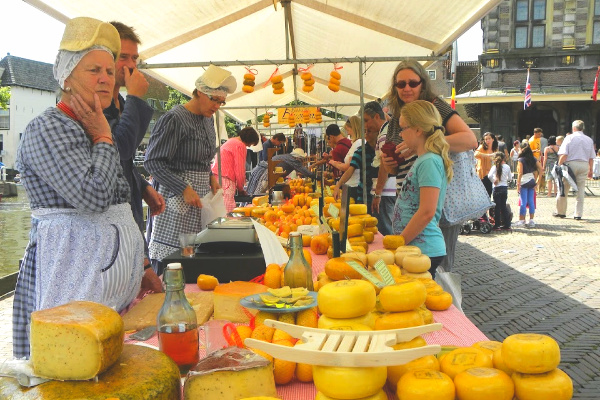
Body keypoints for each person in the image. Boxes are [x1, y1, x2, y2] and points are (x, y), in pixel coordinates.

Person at [13, 17, 145, 358]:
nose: (106, 77)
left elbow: (120, 195)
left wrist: (139, 267)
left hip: (102, 292)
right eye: (93, 70)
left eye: (107, 69)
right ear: (67, 78)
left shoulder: (91, 122)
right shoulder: (48, 128)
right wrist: (102, 136)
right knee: (71, 366)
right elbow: (94, 196)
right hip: (69, 283)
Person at [380, 59, 477, 273]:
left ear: (423, 83)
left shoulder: (434, 107)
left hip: (434, 203)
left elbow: (470, 140)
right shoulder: (398, 117)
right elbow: (400, 166)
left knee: (436, 273)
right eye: (401, 84)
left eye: (412, 83)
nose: (406, 88)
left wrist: (429, 143)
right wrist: (390, 166)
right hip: (410, 199)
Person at [145, 64, 233, 272]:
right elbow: (153, 161)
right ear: (200, 92)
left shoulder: (207, 121)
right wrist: (183, 188)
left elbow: (204, 159)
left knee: (197, 256)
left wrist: (210, 176)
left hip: (201, 198)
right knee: (174, 261)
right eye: (214, 100)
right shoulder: (175, 118)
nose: (217, 106)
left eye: (222, 102)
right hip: (175, 200)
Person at [103, 21, 164, 293]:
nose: (130, 65)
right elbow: (119, 151)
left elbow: (125, 164)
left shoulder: (121, 104)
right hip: (107, 230)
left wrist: (144, 187)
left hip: (130, 219)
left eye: (134, 58)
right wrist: (137, 97)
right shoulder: (97, 107)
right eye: (123, 57)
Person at [391, 100, 453, 279]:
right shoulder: (423, 159)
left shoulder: (429, 161)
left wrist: (401, 241)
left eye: (403, 128)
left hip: (423, 250)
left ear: (418, 129)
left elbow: (427, 211)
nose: (401, 134)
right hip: (415, 249)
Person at [333, 110, 379, 213]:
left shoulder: (380, 150)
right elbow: (350, 169)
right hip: (364, 193)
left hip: (379, 194)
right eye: (365, 131)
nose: (366, 135)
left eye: (369, 132)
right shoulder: (361, 150)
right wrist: (338, 185)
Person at [364, 101, 395, 236]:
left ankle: (385, 258)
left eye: (366, 120)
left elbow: (384, 165)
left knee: (385, 232)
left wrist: (378, 193)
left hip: (385, 192)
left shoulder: (384, 135)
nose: (366, 126)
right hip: (387, 191)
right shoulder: (386, 130)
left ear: (377, 116)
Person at [554, 120, 595, 220]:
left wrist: (559, 165)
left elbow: (564, 154)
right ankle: (578, 214)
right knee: (580, 190)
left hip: (570, 165)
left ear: (573, 128)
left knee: (564, 188)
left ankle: (561, 212)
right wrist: (591, 170)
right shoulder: (589, 139)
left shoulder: (569, 138)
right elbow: (591, 157)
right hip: (584, 164)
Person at [212, 126, 259, 211]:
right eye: (250, 144)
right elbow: (240, 170)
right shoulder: (239, 145)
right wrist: (241, 188)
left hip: (216, 178)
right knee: (228, 210)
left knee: (218, 208)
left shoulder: (230, 141)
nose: (248, 146)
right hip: (226, 179)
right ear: (249, 140)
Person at [246, 148, 315, 195]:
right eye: (302, 159)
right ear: (298, 157)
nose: (302, 161)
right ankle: (252, 205)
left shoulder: (288, 157)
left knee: (257, 189)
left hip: (265, 170)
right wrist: (315, 176)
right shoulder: (294, 160)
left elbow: (299, 170)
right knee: (259, 192)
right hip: (267, 172)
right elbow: (304, 171)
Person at [328, 115, 364, 189]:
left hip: (354, 185)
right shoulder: (355, 143)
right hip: (352, 183)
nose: (347, 134)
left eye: (348, 130)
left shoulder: (358, 143)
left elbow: (349, 167)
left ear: (354, 128)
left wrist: (334, 163)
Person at [515, 142, 542, 227]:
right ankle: (531, 220)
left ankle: (522, 220)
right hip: (532, 180)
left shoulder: (521, 160)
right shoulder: (533, 158)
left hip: (524, 181)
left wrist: (518, 184)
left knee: (523, 201)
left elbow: (520, 173)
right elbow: (541, 169)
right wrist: (538, 181)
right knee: (531, 201)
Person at [488, 152, 512, 230]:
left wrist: (493, 181)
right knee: (503, 206)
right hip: (504, 187)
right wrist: (505, 179)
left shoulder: (494, 167)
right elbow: (510, 178)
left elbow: (489, 176)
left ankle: (497, 225)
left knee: (497, 207)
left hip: (497, 187)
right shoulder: (507, 167)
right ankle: (507, 224)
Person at [474, 132, 498, 202]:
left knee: (489, 192)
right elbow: (476, 154)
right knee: (483, 193)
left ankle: (489, 208)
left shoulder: (495, 148)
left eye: (489, 139)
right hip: (483, 173)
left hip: (492, 173)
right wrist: (487, 155)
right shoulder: (482, 147)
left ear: (493, 139)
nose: (487, 141)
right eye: (486, 139)